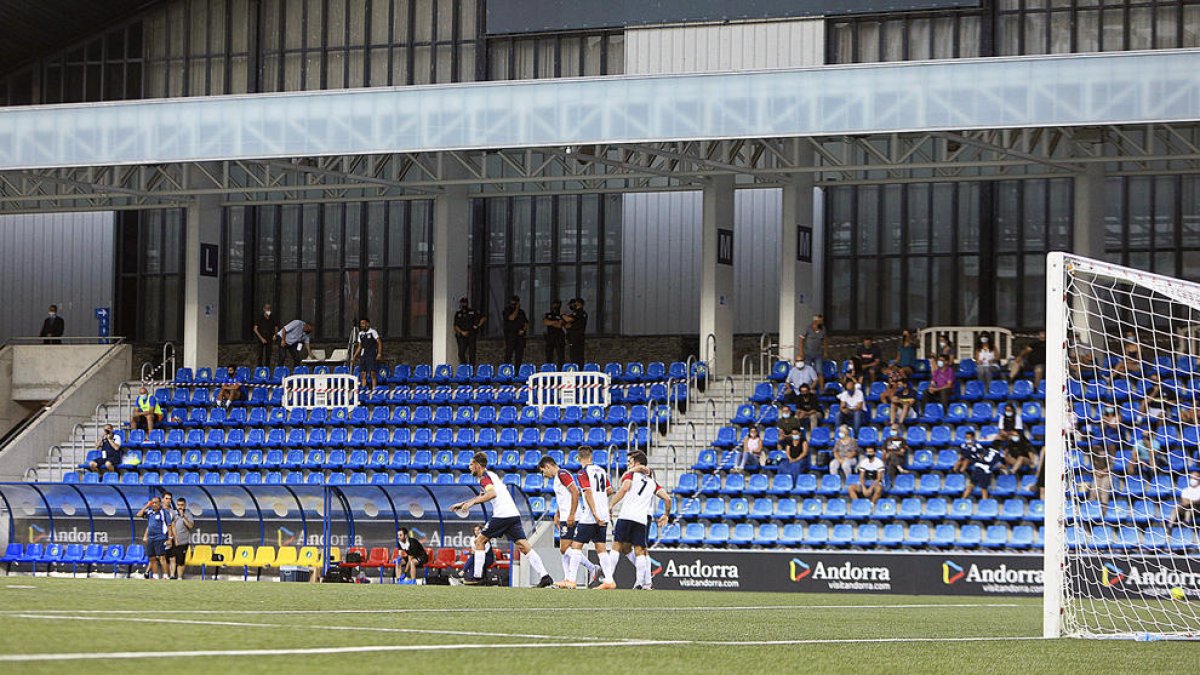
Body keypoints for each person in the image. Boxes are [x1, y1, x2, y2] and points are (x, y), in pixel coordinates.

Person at [449, 452, 552, 587]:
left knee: (479, 541)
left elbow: (492, 494)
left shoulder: (484, 478)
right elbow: (482, 495)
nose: (469, 467)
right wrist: (463, 504)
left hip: (502, 515)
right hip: (512, 515)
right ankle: (545, 576)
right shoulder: (491, 476)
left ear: (478, 465)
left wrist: (470, 504)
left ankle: (477, 577)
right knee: (524, 546)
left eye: (471, 464)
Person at [609, 451, 672, 590]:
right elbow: (668, 498)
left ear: (637, 462)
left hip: (630, 515)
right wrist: (666, 514)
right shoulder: (651, 481)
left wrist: (611, 504)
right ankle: (641, 581)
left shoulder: (631, 475)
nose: (628, 464)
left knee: (619, 545)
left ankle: (642, 582)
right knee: (635, 549)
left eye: (630, 461)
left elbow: (624, 486)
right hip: (642, 518)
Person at [538, 455, 597, 589]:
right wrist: (558, 513)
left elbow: (575, 492)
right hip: (565, 515)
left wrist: (571, 514)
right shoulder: (558, 477)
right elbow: (564, 497)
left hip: (572, 516)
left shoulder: (563, 474)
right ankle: (567, 579)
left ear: (547, 466)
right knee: (564, 550)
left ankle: (591, 567)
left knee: (565, 549)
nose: (544, 474)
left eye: (543, 471)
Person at [571, 446, 617, 589]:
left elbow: (588, 492)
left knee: (576, 546)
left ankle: (570, 580)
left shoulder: (582, 473)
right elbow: (610, 490)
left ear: (579, 458)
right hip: (603, 515)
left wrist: (595, 512)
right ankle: (609, 580)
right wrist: (602, 502)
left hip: (591, 516)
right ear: (591, 457)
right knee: (601, 547)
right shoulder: (601, 471)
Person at [135, 495, 173, 580]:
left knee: (161, 557)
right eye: (153, 503)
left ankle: (165, 576)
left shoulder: (164, 512)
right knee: (152, 557)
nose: (154, 504)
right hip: (151, 538)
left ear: (160, 503)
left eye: (156, 502)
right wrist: (147, 505)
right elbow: (138, 514)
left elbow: (169, 526)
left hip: (160, 537)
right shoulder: (149, 512)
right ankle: (155, 576)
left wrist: (170, 538)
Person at [453, 298, 485, 367]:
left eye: (465, 303)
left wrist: (478, 325)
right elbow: (455, 326)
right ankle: (465, 368)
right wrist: (461, 332)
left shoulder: (472, 312)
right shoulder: (458, 314)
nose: (464, 304)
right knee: (461, 353)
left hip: (471, 335)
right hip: (462, 336)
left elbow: (483, 318)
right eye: (462, 303)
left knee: (472, 353)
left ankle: (471, 370)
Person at [168, 496, 194, 580]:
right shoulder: (174, 514)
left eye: (182, 505)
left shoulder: (188, 514)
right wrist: (173, 538)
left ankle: (179, 577)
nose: (180, 507)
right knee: (172, 558)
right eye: (179, 505)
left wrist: (183, 517)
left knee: (181, 561)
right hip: (174, 540)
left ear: (185, 505)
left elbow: (190, 526)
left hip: (183, 541)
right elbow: (172, 526)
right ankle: (172, 575)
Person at [353, 318, 383, 390]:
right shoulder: (360, 334)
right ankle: (364, 389)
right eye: (361, 324)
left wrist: (379, 353)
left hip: (371, 354)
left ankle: (374, 390)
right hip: (363, 355)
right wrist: (355, 355)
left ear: (367, 324)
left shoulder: (373, 332)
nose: (361, 325)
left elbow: (379, 342)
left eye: (363, 323)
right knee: (363, 374)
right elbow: (360, 346)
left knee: (372, 373)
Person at [502, 296, 529, 368]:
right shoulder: (507, 310)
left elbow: (526, 323)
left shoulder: (521, 312)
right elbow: (511, 318)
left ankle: (517, 371)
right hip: (510, 335)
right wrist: (516, 309)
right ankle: (507, 371)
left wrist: (523, 330)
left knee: (519, 356)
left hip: (520, 336)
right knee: (508, 354)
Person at [800, 315, 826, 383]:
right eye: (820, 321)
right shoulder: (808, 328)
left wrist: (825, 351)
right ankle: (807, 386)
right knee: (807, 371)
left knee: (819, 371)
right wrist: (801, 352)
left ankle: (821, 389)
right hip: (808, 353)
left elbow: (824, 340)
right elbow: (801, 339)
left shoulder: (823, 329)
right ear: (815, 321)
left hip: (818, 354)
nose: (822, 322)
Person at [563, 297, 588, 367]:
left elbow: (568, 319)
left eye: (574, 304)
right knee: (574, 357)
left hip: (577, 338)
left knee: (577, 357)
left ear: (579, 304)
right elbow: (566, 324)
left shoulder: (580, 313)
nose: (572, 306)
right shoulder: (576, 314)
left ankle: (578, 371)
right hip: (573, 338)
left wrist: (561, 314)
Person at [251, 303, 278, 367]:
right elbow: (255, 329)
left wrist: (275, 335)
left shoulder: (273, 318)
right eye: (267, 308)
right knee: (260, 355)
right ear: (264, 309)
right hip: (261, 339)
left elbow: (276, 327)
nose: (268, 310)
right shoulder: (260, 318)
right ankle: (259, 368)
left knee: (268, 355)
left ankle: (267, 368)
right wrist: (261, 338)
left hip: (270, 338)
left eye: (269, 309)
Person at [542, 299, 567, 367]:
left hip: (559, 337)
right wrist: (554, 322)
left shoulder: (562, 315)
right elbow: (545, 322)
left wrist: (551, 323)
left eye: (557, 304)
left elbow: (560, 325)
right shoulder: (548, 314)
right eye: (554, 304)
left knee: (561, 355)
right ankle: (549, 369)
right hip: (550, 337)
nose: (555, 306)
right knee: (549, 355)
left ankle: (560, 371)